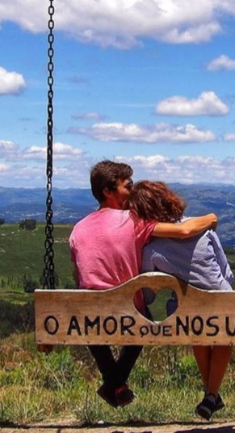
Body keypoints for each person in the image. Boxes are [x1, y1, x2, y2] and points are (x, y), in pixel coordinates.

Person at [70, 160, 218, 409]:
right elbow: (183, 232)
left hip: (91, 312)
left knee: (90, 318)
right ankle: (115, 383)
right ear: (108, 190)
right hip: (129, 310)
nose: (131, 192)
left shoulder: (78, 228)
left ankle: (115, 384)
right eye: (127, 186)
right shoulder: (132, 221)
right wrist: (210, 218)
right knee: (143, 318)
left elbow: (78, 276)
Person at [124, 180, 234, 421]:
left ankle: (211, 395)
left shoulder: (151, 249)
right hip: (223, 302)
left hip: (188, 312)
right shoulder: (201, 229)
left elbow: (149, 293)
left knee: (197, 328)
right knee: (224, 333)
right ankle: (211, 394)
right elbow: (225, 270)